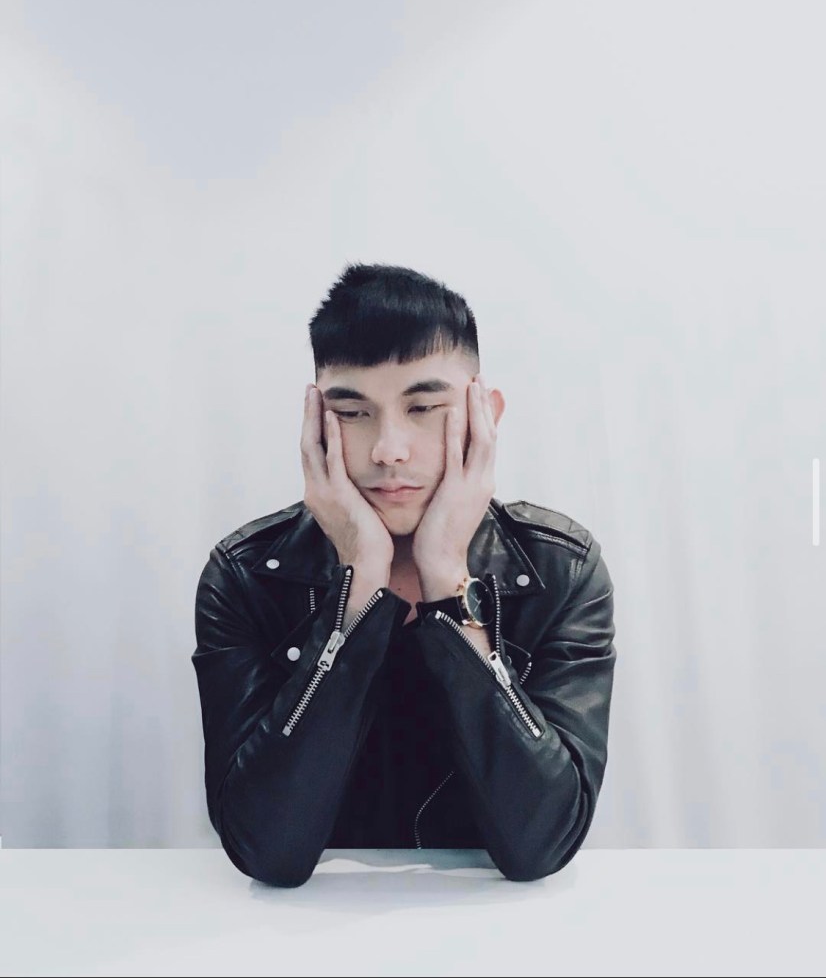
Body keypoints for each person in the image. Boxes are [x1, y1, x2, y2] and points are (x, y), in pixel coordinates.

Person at [192, 262, 616, 887]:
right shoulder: (247, 576)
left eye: (423, 407)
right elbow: (268, 852)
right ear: (315, 424)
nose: (388, 449)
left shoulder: (560, 569)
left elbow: (541, 845)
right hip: (306, 932)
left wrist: (447, 576)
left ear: (484, 415)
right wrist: (360, 583)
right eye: (353, 412)